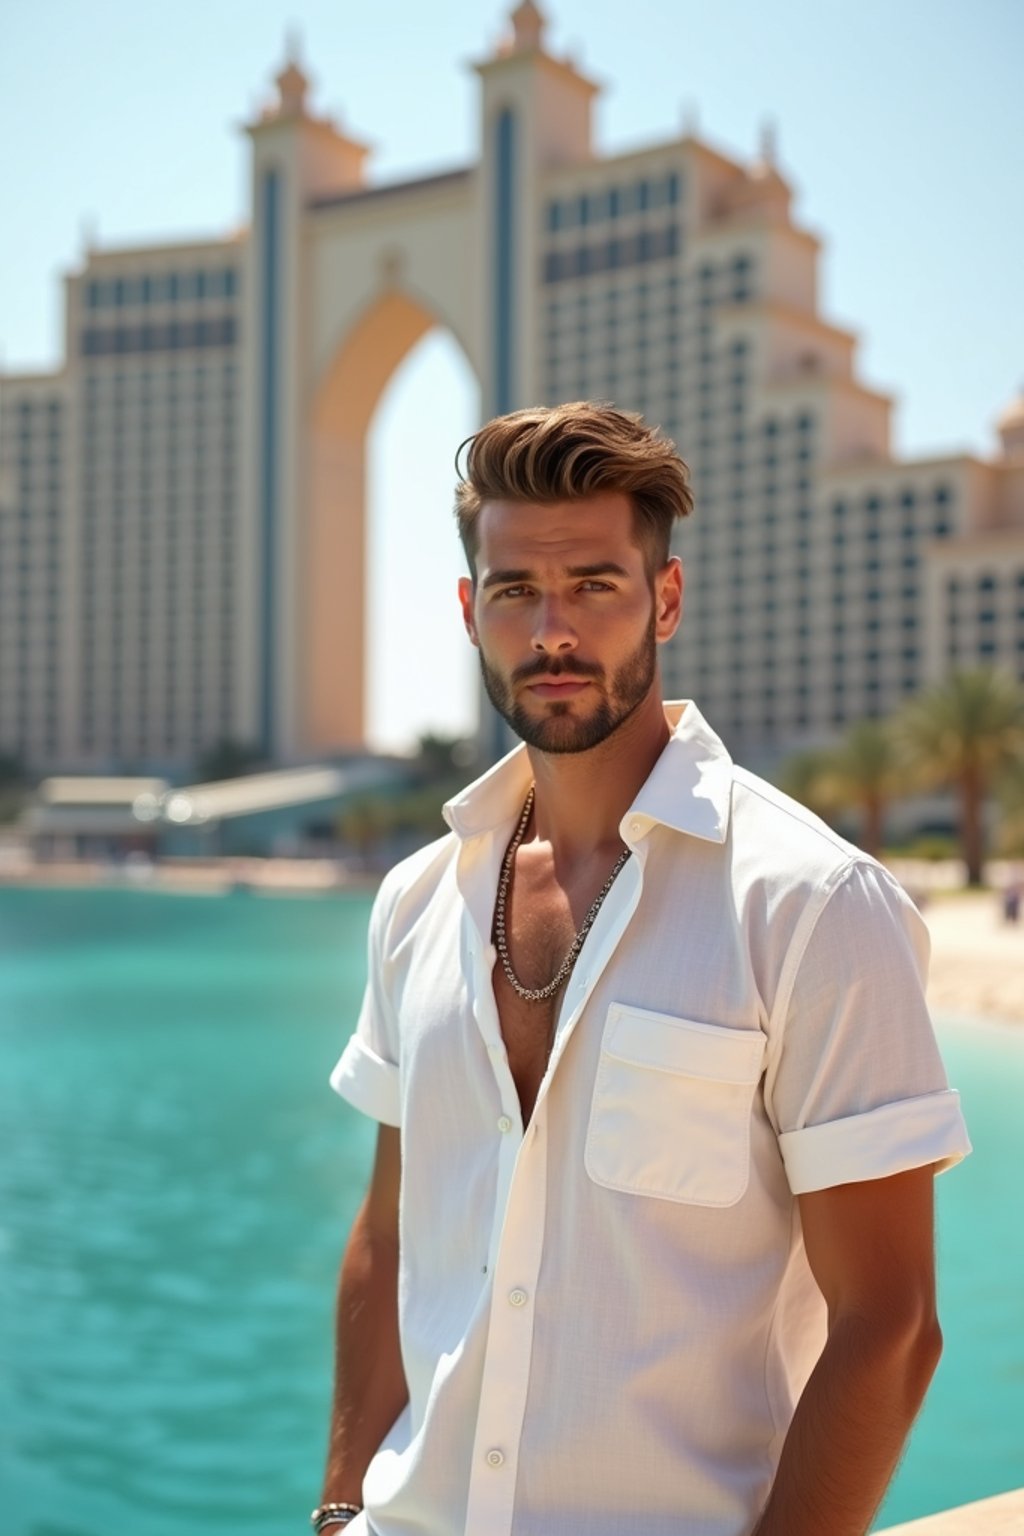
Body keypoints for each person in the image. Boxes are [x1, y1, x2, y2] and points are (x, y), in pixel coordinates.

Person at [314, 402, 971, 1536]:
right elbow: (388, 1232)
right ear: (472, 612)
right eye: (516, 591)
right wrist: (336, 1511)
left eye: (595, 587)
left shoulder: (811, 906)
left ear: (664, 598)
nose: (552, 631)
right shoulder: (417, 900)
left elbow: (891, 1325)